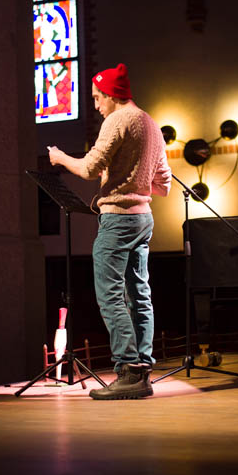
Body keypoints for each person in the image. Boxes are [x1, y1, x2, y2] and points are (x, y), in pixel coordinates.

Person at [48, 63, 171, 399]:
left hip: (117, 220)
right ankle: (142, 371)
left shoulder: (117, 120)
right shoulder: (151, 124)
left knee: (111, 295)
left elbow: (89, 168)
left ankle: (128, 370)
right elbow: (164, 185)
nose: (96, 105)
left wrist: (60, 158)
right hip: (143, 218)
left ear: (111, 95)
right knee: (139, 294)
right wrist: (133, 177)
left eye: (97, 98)